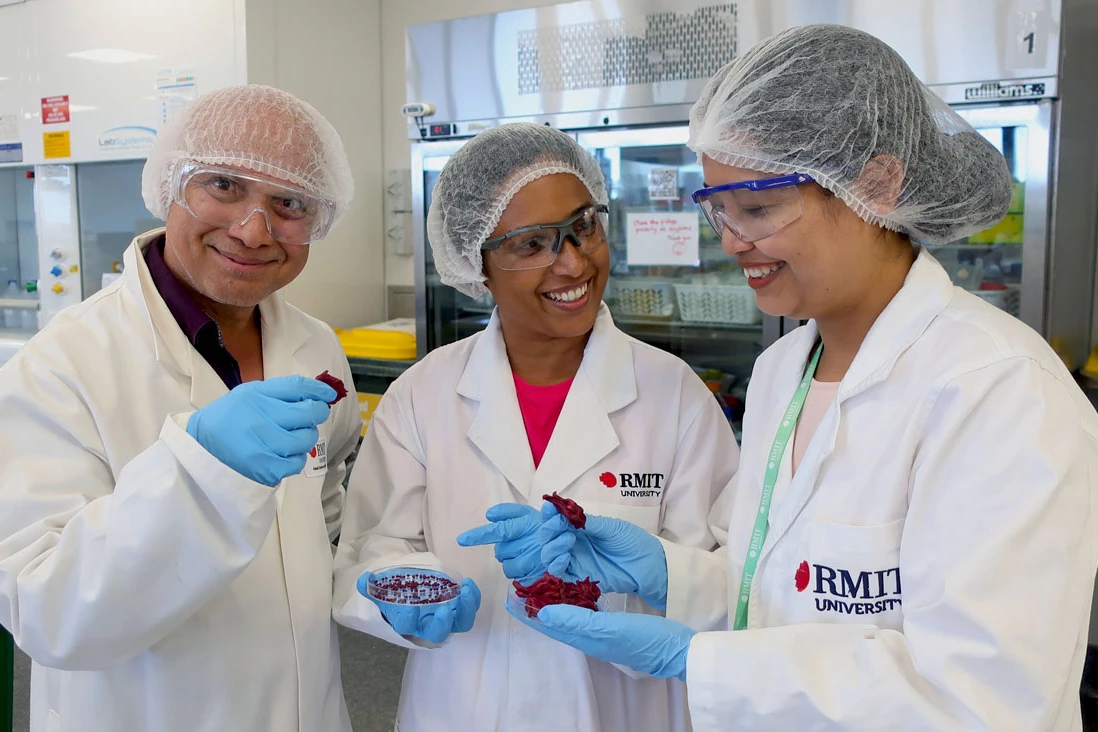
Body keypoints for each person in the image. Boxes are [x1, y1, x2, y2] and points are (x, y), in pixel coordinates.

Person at [499, 24, 1098, 731]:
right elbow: (775, 589)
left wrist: (701, 663)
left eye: (757, 207)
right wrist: (671, 574)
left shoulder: (999, 389)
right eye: (718, 207)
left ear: (875, 184)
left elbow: (986, 702)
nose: (731, 240)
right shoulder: (785, 367)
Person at [332, 122, 739, 731]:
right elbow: (371, 548)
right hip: (462, 705)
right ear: (478, 264)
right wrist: (405, 595)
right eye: (531, 245)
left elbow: (734, 573)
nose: (572, 261)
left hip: (625, 710)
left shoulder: (674, 393)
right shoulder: (424, 394)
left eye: (584, 227)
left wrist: (658, 579)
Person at [0, 85, 361, 731]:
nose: (254, 230)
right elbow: (47, 610)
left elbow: (322, 511)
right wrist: (201, 473)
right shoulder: (61, 364)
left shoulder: (316, 345)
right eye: (222, 185)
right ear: (168, 183)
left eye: (290, 203)